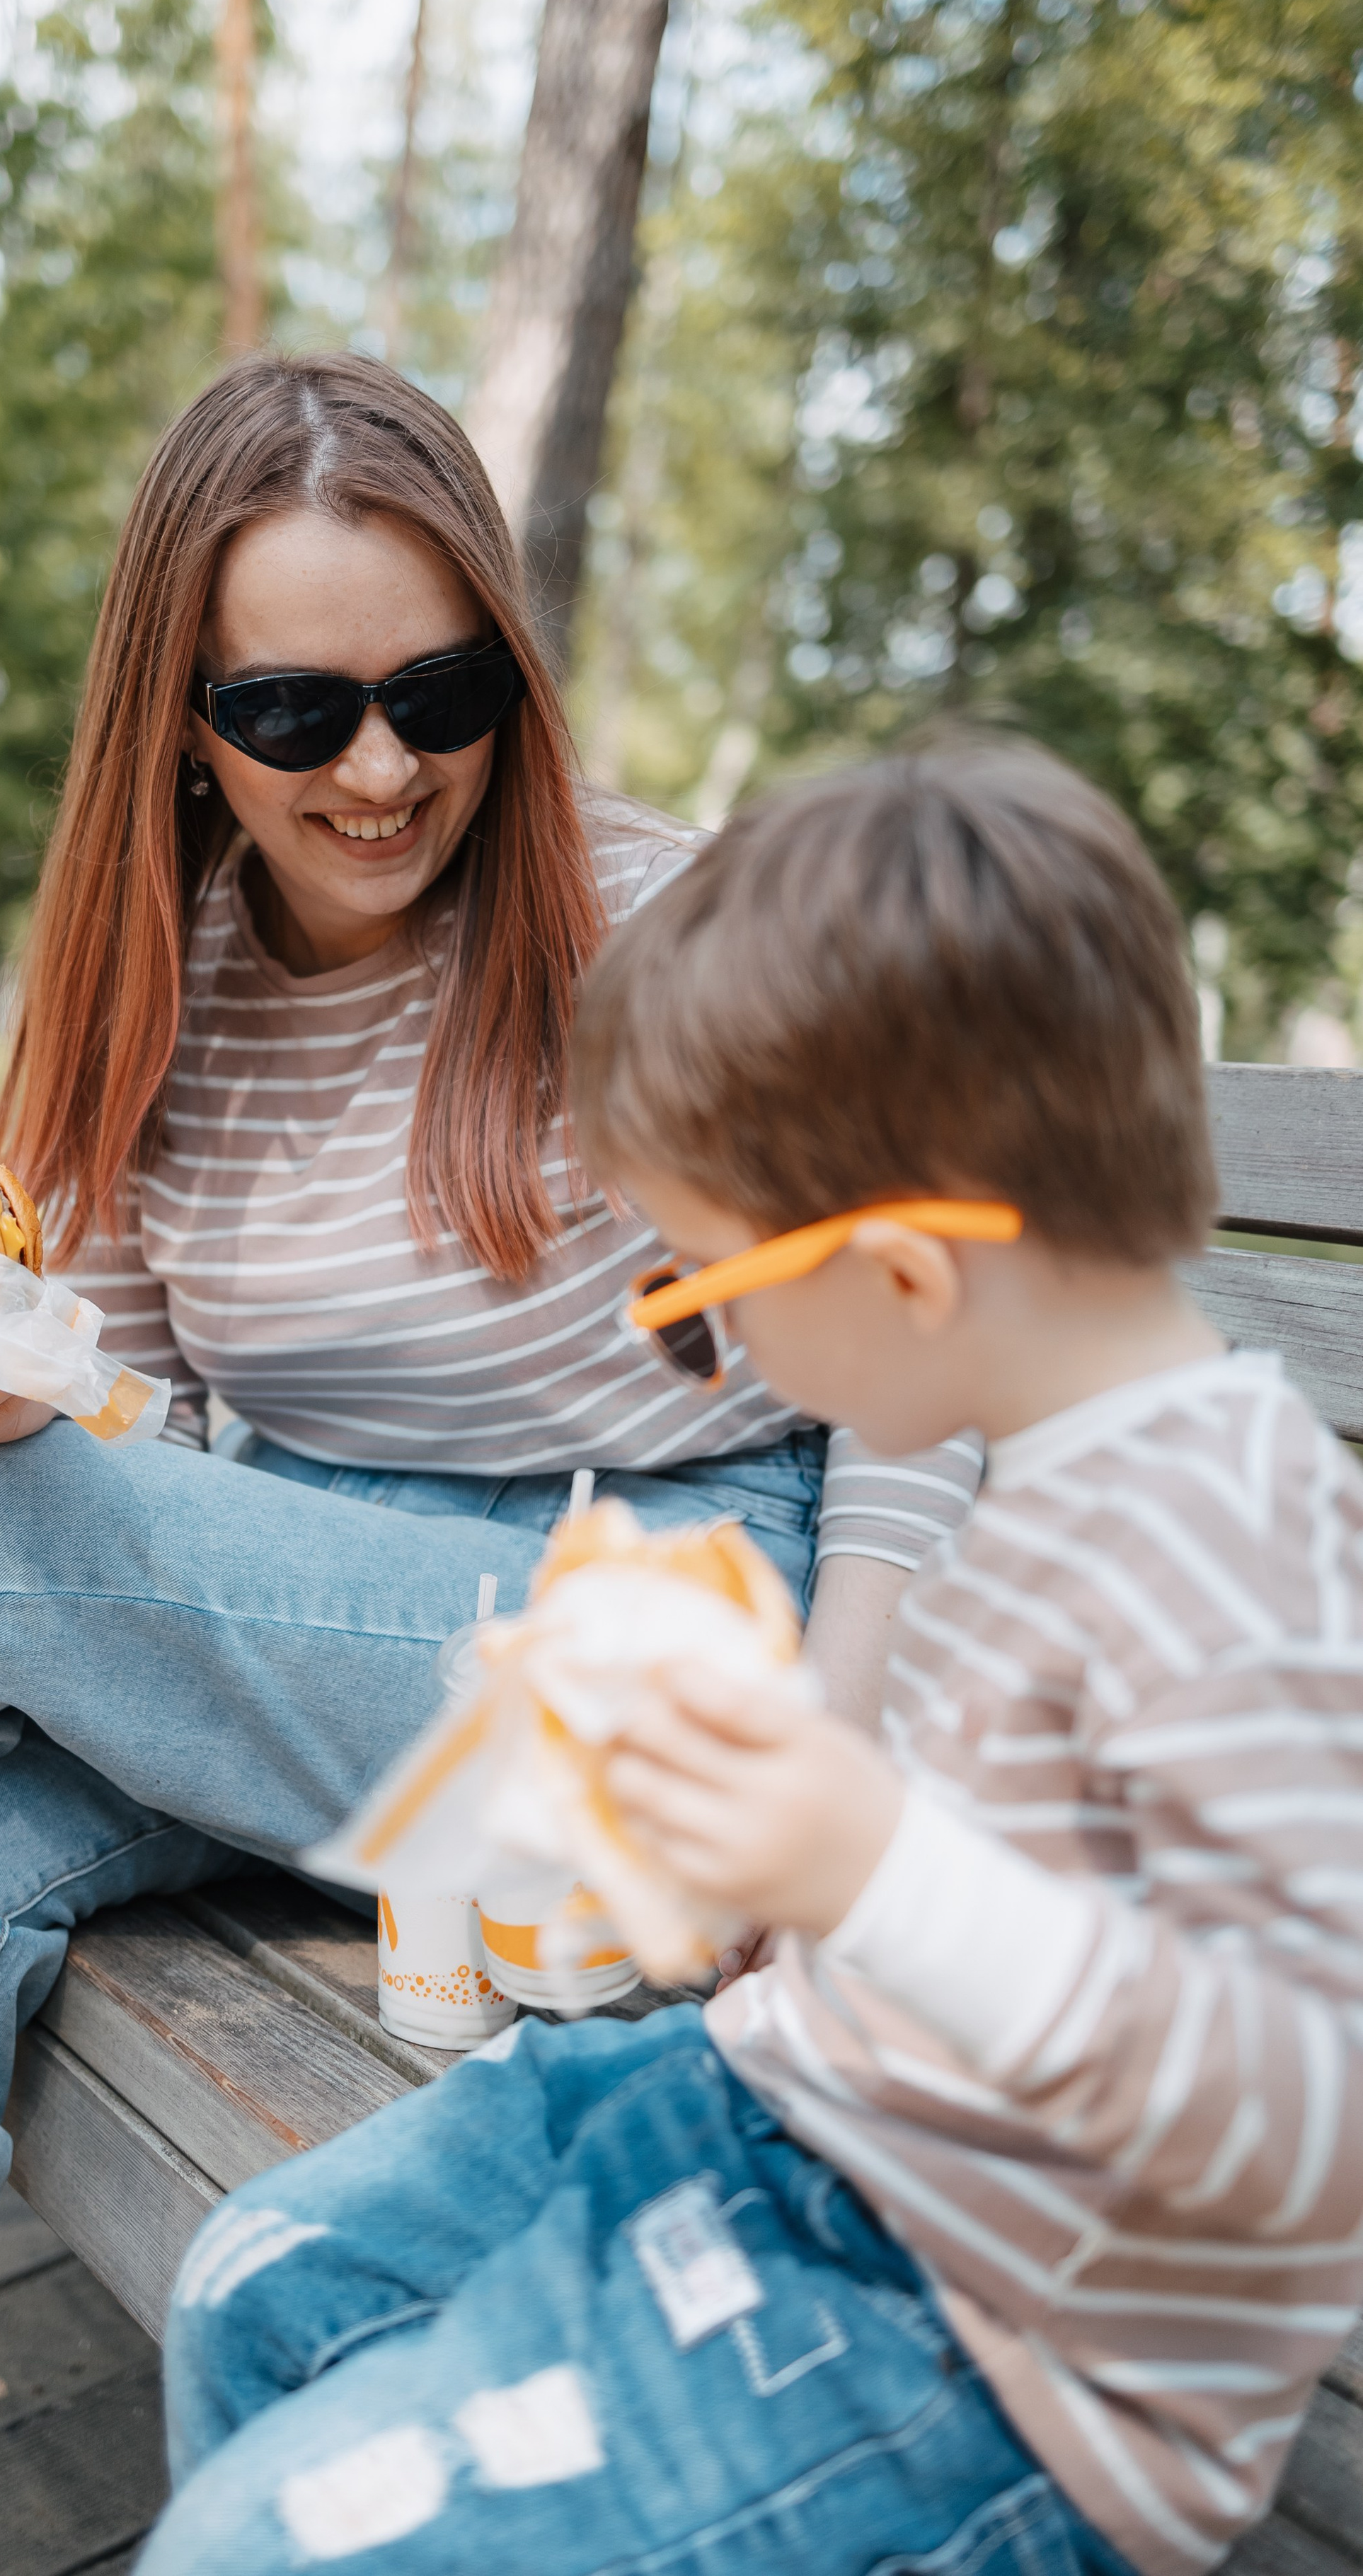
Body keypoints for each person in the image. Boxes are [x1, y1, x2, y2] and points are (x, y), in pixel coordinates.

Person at [0, 354, 971, 2576]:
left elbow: (920, 1384)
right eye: (300, 714)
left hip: (651, 1646)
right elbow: (115, 1443)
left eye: (442, 688)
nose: (387, 766)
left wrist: (842, 1789)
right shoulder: (161, 969)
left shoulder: (682, 932)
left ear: (512, 659)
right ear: (186, 721)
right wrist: (8, 1387)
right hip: (316, 1632)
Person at [140, 730, 1363, 2576]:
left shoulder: (1233, 1561)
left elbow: (1302, 2127)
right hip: (804, 2107)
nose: (709, 1368)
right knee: (263, 2288)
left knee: (252, 2550)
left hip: (981, 2346)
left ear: (904, 1274)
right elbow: (1015, 1865)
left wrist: (866, 1866)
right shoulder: (1069, 1467)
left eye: (696, 1295)